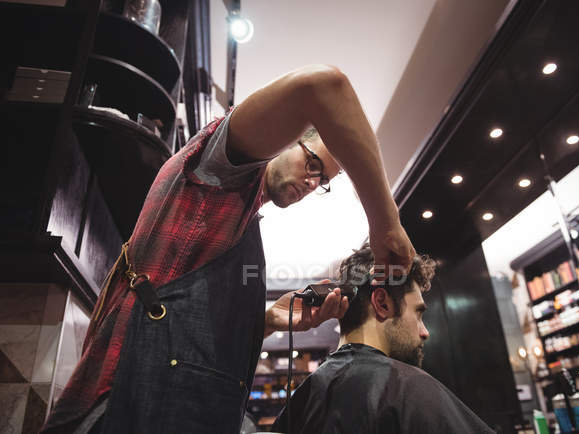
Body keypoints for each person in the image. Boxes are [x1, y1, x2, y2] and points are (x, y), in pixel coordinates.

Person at [41, 64, 415, 434]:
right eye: (313, 163)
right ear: (283, 140)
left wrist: (266, 322)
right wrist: (385, 221)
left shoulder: (246, 218)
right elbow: (324, 86)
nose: (311, 181)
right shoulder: (218, 172)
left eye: (323, 182)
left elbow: (190, 325)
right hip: (125, 407)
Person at [272, 244, 494, 434]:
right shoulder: (411, 390)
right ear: (382, 303)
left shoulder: (303, 398)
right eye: (418, 313)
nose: (424, 331)